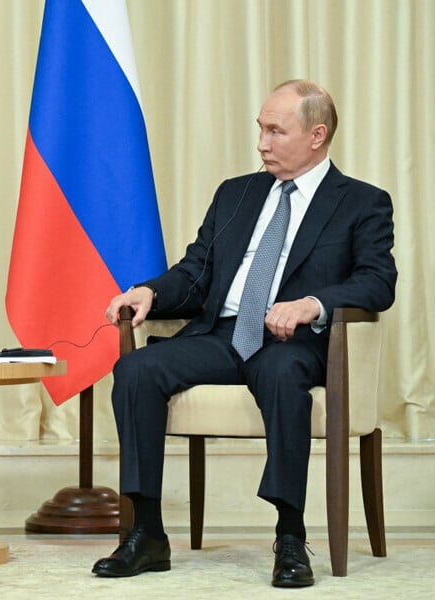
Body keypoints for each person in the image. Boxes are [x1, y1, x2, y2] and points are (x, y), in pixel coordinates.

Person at [95, 80, 396, 588]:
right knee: (136, 368)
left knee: (281, 375)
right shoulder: (237, 193)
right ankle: (146, 532)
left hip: (294, 342)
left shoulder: (361, 202)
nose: (262, 143)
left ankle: (290, 537)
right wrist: (150, 292)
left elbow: (377, 280)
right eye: (261, 129)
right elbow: (197, 272)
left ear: (317, 135)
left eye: (276, 131)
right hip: (223, 333)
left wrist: (311, 304)